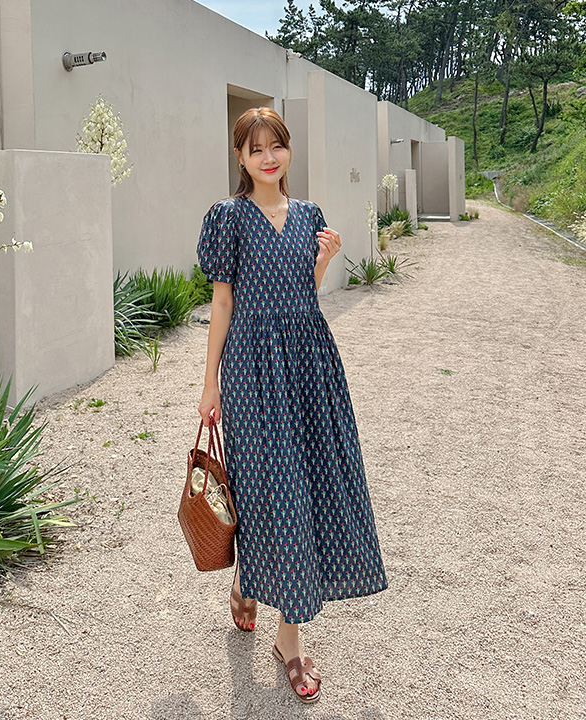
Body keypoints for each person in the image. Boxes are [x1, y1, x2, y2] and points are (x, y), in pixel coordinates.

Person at [197, 107, 387, 703]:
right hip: (253, 369)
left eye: (276, 146)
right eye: (256, 150)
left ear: (287, 151)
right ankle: (259, 595)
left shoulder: (309, 217)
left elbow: (304, 293)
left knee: (306, 487)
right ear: (241, 158)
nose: (268, 158)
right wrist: (211, 386)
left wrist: (325, 261)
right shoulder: (227, 218)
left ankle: (286, 632)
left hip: (309, 365)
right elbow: (223, 305)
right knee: (265, 487)